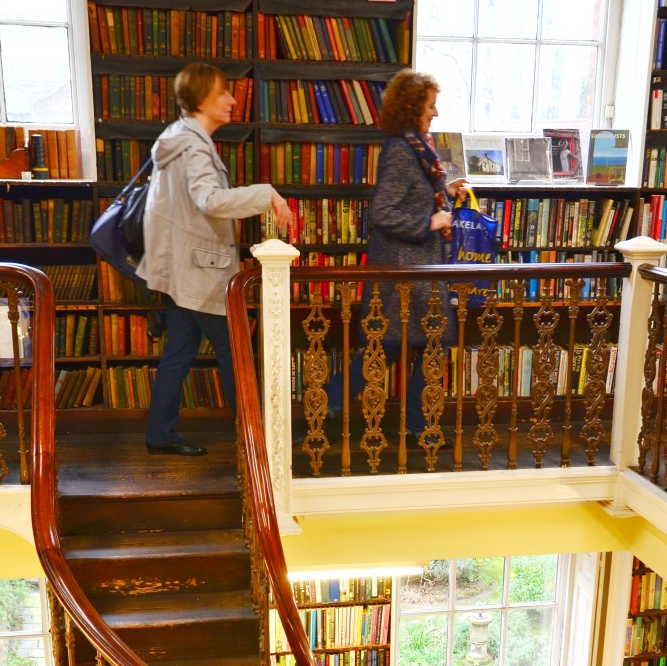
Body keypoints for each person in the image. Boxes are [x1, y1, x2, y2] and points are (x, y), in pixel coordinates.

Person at [138, 62, 292, 456]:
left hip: (183, 268)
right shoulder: (192, 146)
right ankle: (256, 439)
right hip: (199, 269)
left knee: (180, 351)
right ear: (201, 99)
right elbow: (210, 201)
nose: (232, 100)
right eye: (223, 92)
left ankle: (161, 434)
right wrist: (266, 195)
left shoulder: (179, 137)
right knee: (236, 352)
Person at [325, 69, 468, 437]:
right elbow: (384, 211)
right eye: (431, 106)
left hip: (418, 270)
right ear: (412, 107)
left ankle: (409, 423)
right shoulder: (403, 151)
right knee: (396, 349)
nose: (435, 113)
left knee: (414, 347)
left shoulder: (418, 148)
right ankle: (330, 406)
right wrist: (430, 221)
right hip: (405, 273)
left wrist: (446, 193)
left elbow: (411, 196)